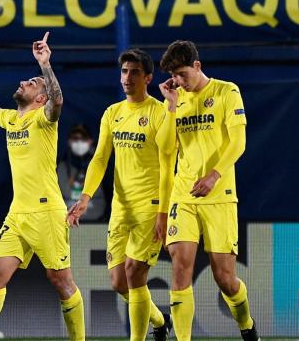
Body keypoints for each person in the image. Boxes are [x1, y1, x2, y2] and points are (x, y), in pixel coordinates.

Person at [0, 33, 85, 341]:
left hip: (47, 212)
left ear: (41, 98)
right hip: (18, 214)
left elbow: (58, 101)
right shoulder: (11, 120)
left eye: (33, 83)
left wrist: (45, 66)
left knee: (61, 282)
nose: (25, 81)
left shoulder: (45, 121)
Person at [67, 48, 174, 341]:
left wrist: (164, 211)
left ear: (148, 77)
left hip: (150, 206)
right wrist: (85, 197)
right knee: (118, 281)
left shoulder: (159, 112)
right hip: (121, 208)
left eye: (135, 72)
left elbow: (168, 166)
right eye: (124, 72)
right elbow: (100, 158)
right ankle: (158, 319)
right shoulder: (112, 113)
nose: (127, 77)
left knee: (134, 273)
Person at [157, 40, 259, 341]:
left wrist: (215, 175)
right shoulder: (175, 99)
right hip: (184, 196)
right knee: (180, 266)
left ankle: (246, 325)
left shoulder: (227, 92)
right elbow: (165, 149)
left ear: (198, 66)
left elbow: (238, 142)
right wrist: (172, 107)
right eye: (174, 75)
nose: (178, 81)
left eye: (183, 74)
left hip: (219, 196)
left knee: (225, 278)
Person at [57, 124, 108, 222]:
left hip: (97, 221)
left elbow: (109, 195)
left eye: (84, 138)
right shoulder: (60, 166)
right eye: (75, 138)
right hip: (65, 218)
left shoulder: (101, 166)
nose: (79, 142)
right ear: (69, 141)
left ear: (90, 141)